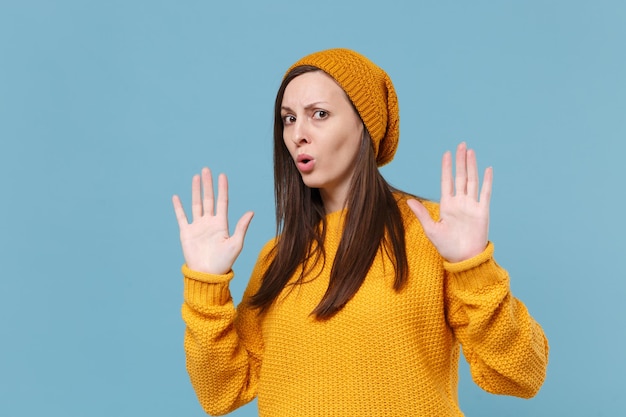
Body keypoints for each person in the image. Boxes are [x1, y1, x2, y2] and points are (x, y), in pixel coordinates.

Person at [172, 48, 549, 416]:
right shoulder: (278, 257)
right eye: (288, 119)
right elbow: (221, 392)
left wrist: (472, 266)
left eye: (319, 114)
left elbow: (521, 374)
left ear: (365, 124)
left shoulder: (432, 233)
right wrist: (207, 284)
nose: (298, 134)